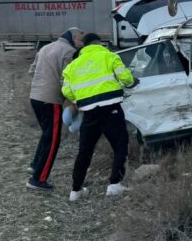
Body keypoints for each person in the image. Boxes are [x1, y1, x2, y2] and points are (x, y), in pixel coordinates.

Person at [62, 33, 137, 201]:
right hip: (111, 109)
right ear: (99, 43)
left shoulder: (73, 66)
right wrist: (132, 82)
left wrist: (80, 100)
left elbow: (66, 91)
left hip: (89, 113)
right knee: (120, 145)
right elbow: (125, 77)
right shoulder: (109, 56)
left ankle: (75, 191)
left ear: (83, 46)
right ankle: (114, 185)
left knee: (85, 151)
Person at [27, 27, 84, 191]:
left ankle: (35, 166)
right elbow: (67, 80)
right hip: (50, 100)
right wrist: (75, 101)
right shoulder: (69, 52)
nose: (81, 43)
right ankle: (38, 179)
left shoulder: (46, 48)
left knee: (46, 134)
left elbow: (32, 69)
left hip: (35, 96)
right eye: (80, 39)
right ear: (73, 37)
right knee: (53, 140)